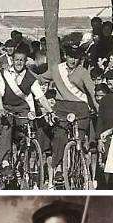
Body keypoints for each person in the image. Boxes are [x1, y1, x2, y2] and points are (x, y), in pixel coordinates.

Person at [39, 44, 98, 183]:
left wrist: (98, 108)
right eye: (70, 56)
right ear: (65, 55)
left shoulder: (83, 72)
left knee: (80, 139)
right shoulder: (56, 69)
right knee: (59, 136)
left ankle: (82, 168)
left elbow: (92, 92)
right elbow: (41, 78)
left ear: (80, 58)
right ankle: (59, 169)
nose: (72, 60)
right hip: (62, 108)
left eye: (76, 57)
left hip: (80, 108)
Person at [0, 44, 54, 179]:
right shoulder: (4, 74)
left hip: (23, 109)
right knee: (6, 129)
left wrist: (50, 110)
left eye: (22, 60)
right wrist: (1, 108)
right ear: (13, 60)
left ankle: (24, 156)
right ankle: (5, 162)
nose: (19, 63)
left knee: (28, 130)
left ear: (25, 61)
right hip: (7, 109)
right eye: (17, 60)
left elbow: (40, 96)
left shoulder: (30, 78)